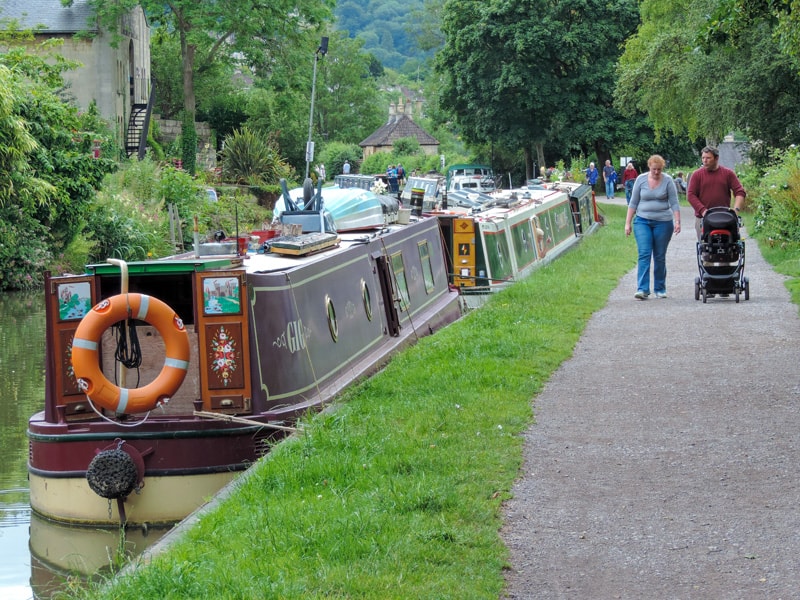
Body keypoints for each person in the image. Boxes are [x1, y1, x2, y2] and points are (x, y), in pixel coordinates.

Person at [624, 154, 681, 300]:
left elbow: (674, 203)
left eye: (659, 170)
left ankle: (660, 288)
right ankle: (642, 289)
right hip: (642, 221)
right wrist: (627, 223)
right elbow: (633, 202)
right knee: (644, 253)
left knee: (659, 256)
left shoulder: (668, 181)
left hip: (663, 222)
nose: (656, 172)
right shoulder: (641, 179)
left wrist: (677, 221)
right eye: (654, 169)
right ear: (649, 167)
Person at [687, 145, 746, 241]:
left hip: (724, 216)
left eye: (708, 158)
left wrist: (736, 210)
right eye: (703, 158)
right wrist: (703, 210)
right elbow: (691, 195)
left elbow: (740, 192)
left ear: (716, 158)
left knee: (731, 244)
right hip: (704, 217)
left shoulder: (728, 173)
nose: (705, 161)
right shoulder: (697, 175)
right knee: (705, 247)